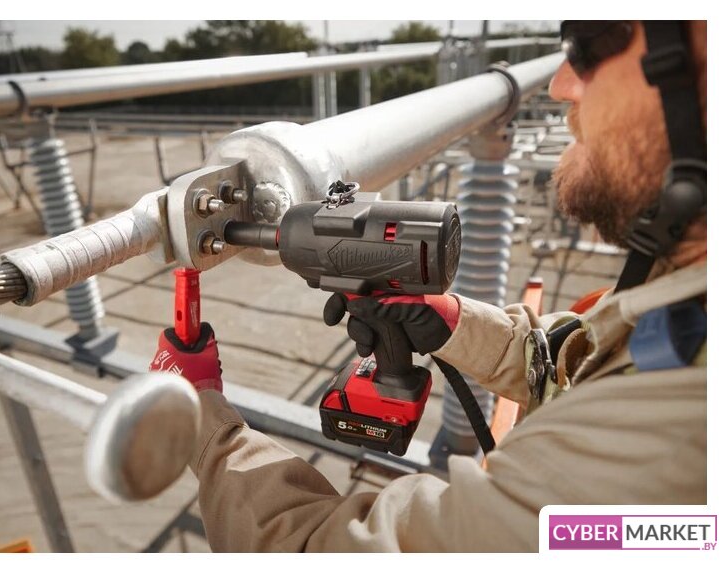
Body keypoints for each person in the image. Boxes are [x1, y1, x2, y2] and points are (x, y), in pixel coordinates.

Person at [150, 21, 706, 552]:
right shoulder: (685, 305)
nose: (560, 84)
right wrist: (456, 322)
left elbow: (320, 551)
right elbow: (572, 363)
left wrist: (202, 415)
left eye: (589, 45)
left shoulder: (664, 442)